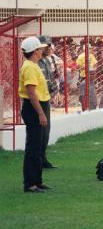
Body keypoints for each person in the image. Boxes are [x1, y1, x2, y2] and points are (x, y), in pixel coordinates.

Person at [19, 37, 52, 193]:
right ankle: (30, 183)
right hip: (34, 108)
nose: (41, 51)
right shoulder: (30, 67)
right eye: (39, 49)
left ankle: (37, 181)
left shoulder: (33, 65)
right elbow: (31, 92)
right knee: (33, 146)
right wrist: (41, 113)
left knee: (38, 146)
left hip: (38, 106)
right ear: (34, 51)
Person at [37, 36, 57, 169]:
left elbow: (50, 78)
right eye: (46, 45)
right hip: (38, 99)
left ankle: (42, 157)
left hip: (46, 98)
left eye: (50, 45)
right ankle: (38, 159)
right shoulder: (36, 63)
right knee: (39, 132)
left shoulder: (46, 61)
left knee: (46, 131)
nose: (49, 48)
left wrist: (55, 91)